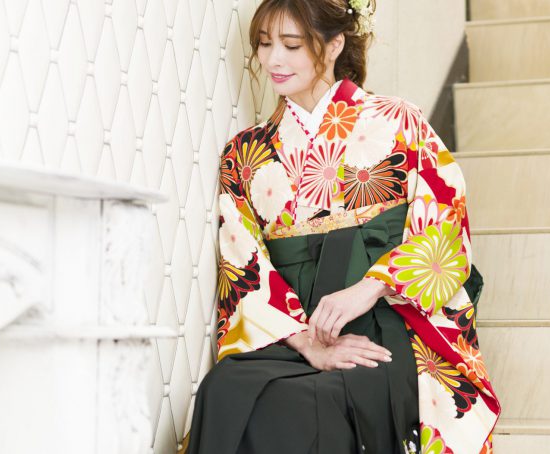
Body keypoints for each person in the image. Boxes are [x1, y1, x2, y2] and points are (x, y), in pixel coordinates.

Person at [181, 0, 499, 452]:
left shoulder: (399, 121)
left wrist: (369, 288)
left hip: (389, 316)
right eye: (265, 44)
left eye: (291, 45)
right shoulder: (244, 153)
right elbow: (242, 262)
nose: (272, 59)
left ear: (334, 45)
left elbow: (446, 224)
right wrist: (307, 342)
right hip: (293, 326)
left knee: (316, 400)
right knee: (224, 389)